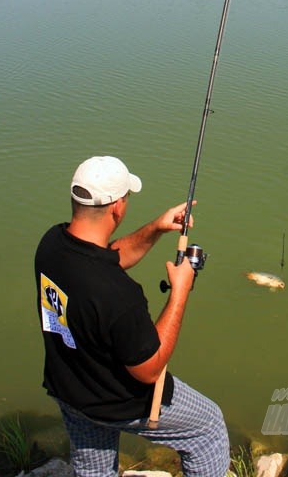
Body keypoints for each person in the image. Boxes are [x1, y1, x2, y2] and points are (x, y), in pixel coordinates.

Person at [34, 155, 230, 477]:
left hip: (71, 392)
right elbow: (149, 370)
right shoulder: (118, 295)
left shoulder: (51, 245)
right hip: (119, 402)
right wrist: (180, 292)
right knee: (208, 428)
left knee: (94, 471)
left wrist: (156, 228)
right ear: (116, 208)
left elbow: (107, 257)